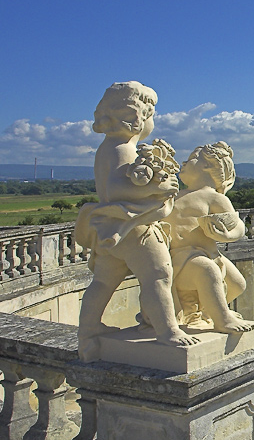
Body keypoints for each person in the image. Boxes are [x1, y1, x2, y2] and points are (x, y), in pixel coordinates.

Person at [75, 82, 198, 361]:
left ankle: (89, 327)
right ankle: (168, 330)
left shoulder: (110, 147)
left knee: (104, 281)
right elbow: (118, 189)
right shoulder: (122, 149)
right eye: (151, 115)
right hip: (133, 229)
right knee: (158, 275)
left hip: (113, 230)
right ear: (137, 117)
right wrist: (157, 188)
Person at [163, 141, 254, 333]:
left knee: (237, 284)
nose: (183, 163)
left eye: (190, 159)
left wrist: (227, 234)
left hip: (210, 254)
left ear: (206, 166)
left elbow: (238, 226)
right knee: (208, 272)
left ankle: (208, 310)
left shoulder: (215, 198)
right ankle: (223, 318)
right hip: (181, 257)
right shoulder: (173, 195)